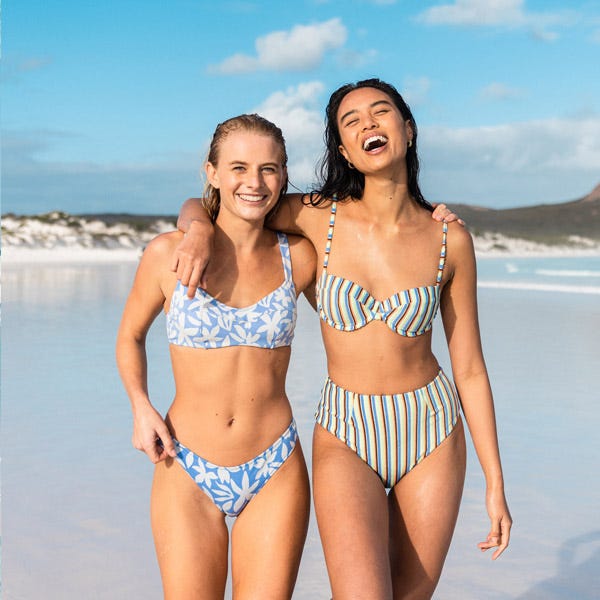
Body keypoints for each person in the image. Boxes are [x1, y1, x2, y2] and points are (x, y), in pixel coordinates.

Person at [174, 79, 512, 599]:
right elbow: (226, 203)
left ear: (408, 129)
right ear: (342, 149)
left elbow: (469, 367)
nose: (368, 124)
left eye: (381, 112)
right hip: (346, 428)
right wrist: (194, 226)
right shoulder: (312, 214)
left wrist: (495, 483)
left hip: (433, 428)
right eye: (351, 121)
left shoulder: (451, 239)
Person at [116, 114, 317, 599]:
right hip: (186, 464)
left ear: (285, 176)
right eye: (239, 167)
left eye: (270, 169)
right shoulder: (169, 254)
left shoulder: (301, 257)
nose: (254, 182)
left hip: (275, 466)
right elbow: (130, 336)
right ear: (211, 172)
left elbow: (360, 306)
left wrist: (428, 216)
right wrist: (141, 408)